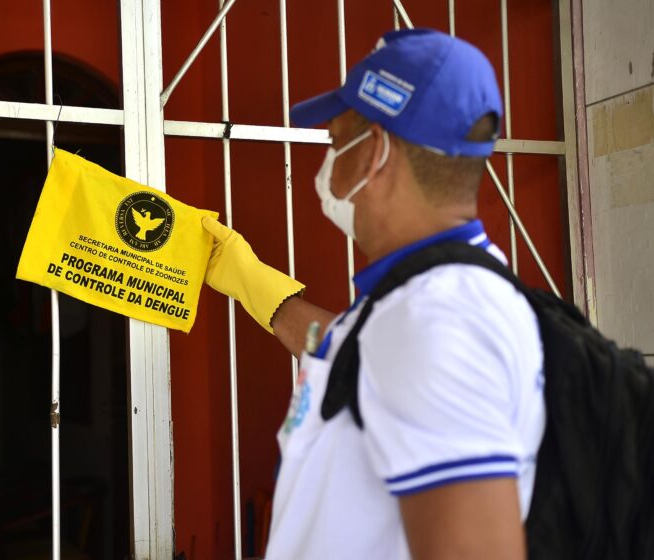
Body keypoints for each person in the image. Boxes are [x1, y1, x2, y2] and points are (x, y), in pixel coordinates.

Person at [201, 28, 545, 559]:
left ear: (375, 154)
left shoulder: (439, 320)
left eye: (337, 144)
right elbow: (358, 357)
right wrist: (255, 285)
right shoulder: (431, 295)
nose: (328, 164)